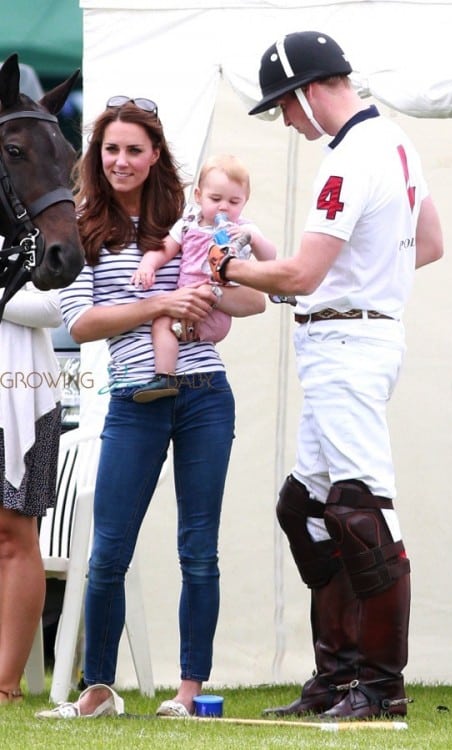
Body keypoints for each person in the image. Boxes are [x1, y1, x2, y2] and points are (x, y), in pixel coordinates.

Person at [211, 31, 444, 721]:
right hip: (352, 333)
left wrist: (230, 268)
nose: (286, 121)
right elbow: (429, 244)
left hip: (347, 344)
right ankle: (339, 678)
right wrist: (359, 280)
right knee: (306, 509)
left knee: (363, 511)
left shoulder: (348, 158)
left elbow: (302, 273)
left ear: (310, 93)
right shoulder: (397, 143)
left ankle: (380, 685)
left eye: (284, 107)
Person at [35, 96, 266, 719]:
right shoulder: (80, 225)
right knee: (108, 549)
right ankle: (99, 689)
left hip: (205, 397)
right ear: (96, 155)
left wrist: (208, 291)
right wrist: (162, 306)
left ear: (155, 154)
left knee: (198, 548)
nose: (121, 160)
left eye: (134, 149)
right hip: (134, 401)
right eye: (111, 149)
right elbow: (81, 322)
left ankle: (189, 694)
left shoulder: (193, 218)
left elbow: (252, 304)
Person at [131, 153, 276, 403]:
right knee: (161, 323)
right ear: (198, 196)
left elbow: (270, 258)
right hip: (186, 302)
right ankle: (165, 376)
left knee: (166, 323)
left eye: (234, 201)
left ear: (245, 202)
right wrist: (148, 264)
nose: (223, 208)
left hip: (216, 308)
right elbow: (166, 248)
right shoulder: (188, 224)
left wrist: (252, 238)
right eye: (215, 199)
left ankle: (167, 374)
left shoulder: (243, 228)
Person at [0, 284, 62, 705]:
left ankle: (5, 684)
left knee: (12, 533)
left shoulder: (36, 227)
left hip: (21, 397)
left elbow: (55, 307)